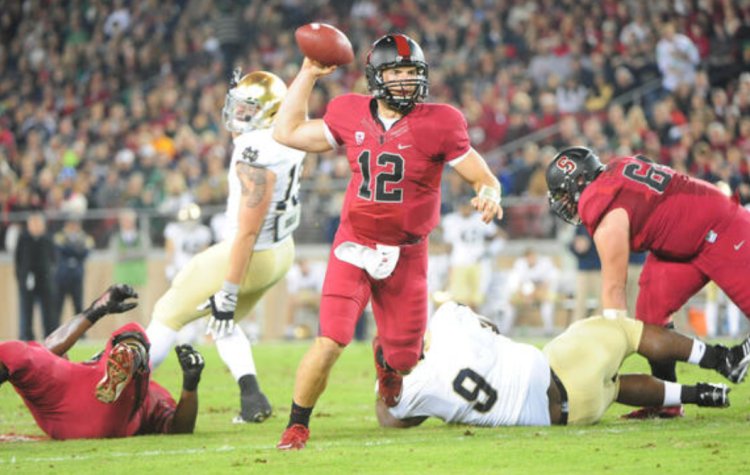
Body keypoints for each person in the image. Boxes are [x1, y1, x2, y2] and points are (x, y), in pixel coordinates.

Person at [272, 33, 503, 450]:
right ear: (376, 77)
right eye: (396, 72)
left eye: (412, 72)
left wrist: (490, 194)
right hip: (354, 247)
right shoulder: (348, 111)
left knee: (406, 359)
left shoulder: (442, 121)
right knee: (331, 340)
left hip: (408, 254)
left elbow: (482, 176)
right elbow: (286, 131)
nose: (406, 81)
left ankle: (387, 362)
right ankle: (297, 424)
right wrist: (307, 73)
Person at [146, 69, 306, 424]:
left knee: (167, 313)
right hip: (282, 251)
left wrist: (229, 290)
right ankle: (252, 397)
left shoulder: (254, 150)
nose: (239, 114)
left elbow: (247, 233)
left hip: (252, 253)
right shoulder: (291, 133)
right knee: (223, 323)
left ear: (269, 111)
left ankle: (119, 391)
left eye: (249, 108)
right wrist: (309, 70)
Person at [545, 146, 750, 419]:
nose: (564, 202)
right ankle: (668, 402)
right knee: (651, 317)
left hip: (721, 229)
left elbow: (614, 287)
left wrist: (610, 351)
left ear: (580, 182)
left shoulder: (602, 203)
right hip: (681, 246)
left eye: (563, 193)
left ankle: (731, 360)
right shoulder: (616, 169)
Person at [376, 302, 748, 428]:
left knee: (615, 386)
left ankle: (703, 395)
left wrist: (388, 385)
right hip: (556, 375)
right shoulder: (446, 321)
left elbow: (394, 419)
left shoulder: (419, 387)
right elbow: (493, 326)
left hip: (574, 414)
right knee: (621, 329)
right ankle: (722, 359)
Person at [0, 284, 205, 440]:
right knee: (132, 332)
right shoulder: (154, 395)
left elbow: (47, 350)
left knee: (17, 353)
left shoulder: (151, 394)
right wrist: (190, 386)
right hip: (103, 419)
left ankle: (123, 356)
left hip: (59, 416)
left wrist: (98, 308)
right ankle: (127, 354)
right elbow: (179, 428)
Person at [441, 199, 504, 311]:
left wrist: (491, 251)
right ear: (458, 207)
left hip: (478, 262)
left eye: (467, 206)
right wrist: (448, 262)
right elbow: (448, 245)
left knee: (476, 301)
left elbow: (500, 235)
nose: (465, 209)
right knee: (459, 302)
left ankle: (476, 326)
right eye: (463, 206)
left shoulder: (479, 218)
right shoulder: (451, 220)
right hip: (459, 262)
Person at [14, 212, 57, 340]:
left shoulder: (48, 239)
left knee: (48, 312)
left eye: (38, 223)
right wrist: (22, 279)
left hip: (45, 280)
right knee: (26, 311)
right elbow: (18, 260)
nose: (36, 226)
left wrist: (50, 275)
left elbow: (53, 258)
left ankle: (50, 337)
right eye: (33, 223)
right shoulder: (23, 239)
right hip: (27, 281)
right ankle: (26, 337)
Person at [503, 248, 560, 335]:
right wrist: (525, 296)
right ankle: (506, 330)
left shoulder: (545, 263)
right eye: (529, 257)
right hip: (524, 293)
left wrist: (535, 293)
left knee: (548, 304)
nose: (531, 259)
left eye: (533, 257)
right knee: (510, 303)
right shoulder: (520, 264)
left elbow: (548, 283)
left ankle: (549, 330)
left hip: (541, 292)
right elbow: (517, 284)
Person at [53, 217, 95, 323]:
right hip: (62, 276)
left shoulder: (85, 238)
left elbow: (86, 253)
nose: (73, 227)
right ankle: (54, 330)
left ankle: (80, 331)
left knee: (78, 306)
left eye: (75, 224)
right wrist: (76, 251)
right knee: (57, 306)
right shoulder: (59, 236)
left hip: (77, 276)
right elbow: (59, 250)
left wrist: (71, 251)